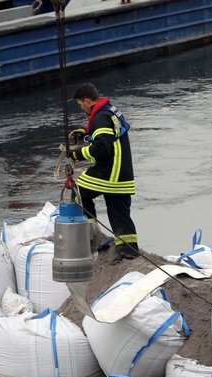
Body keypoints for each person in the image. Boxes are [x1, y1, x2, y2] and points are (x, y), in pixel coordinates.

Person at [69, 83, 139, 261]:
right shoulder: (110, 111)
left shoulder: (100, 117)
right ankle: (129, 252)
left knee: (78, 194)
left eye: (80, 105)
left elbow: (101, 149)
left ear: (86, 101)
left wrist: (77, 154)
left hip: (110, 173)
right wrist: (86, 133)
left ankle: (90, 235)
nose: (81, 108)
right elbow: (108, 136)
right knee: (119, 213)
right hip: (123, 173)